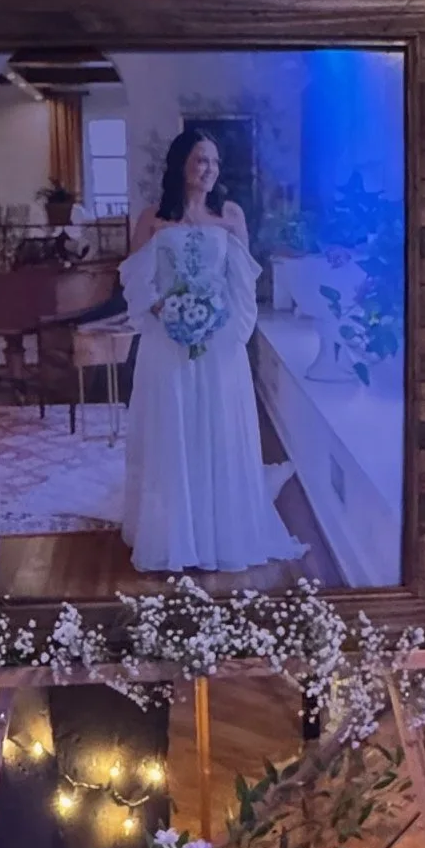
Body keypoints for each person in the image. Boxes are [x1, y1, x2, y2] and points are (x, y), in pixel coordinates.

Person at [117, 131, 303, 574]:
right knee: (174, 428)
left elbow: (242, 282)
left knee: (217, 428)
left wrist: (225, 329)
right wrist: (168, 311)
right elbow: (137, 280)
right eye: (201, 160)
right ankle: (174, 534)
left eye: (215, 163)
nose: (209, 170)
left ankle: (220, 531)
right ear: (181, 163)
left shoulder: (230, 215)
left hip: (218, 344)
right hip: (167, 342)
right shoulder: (152, 218)